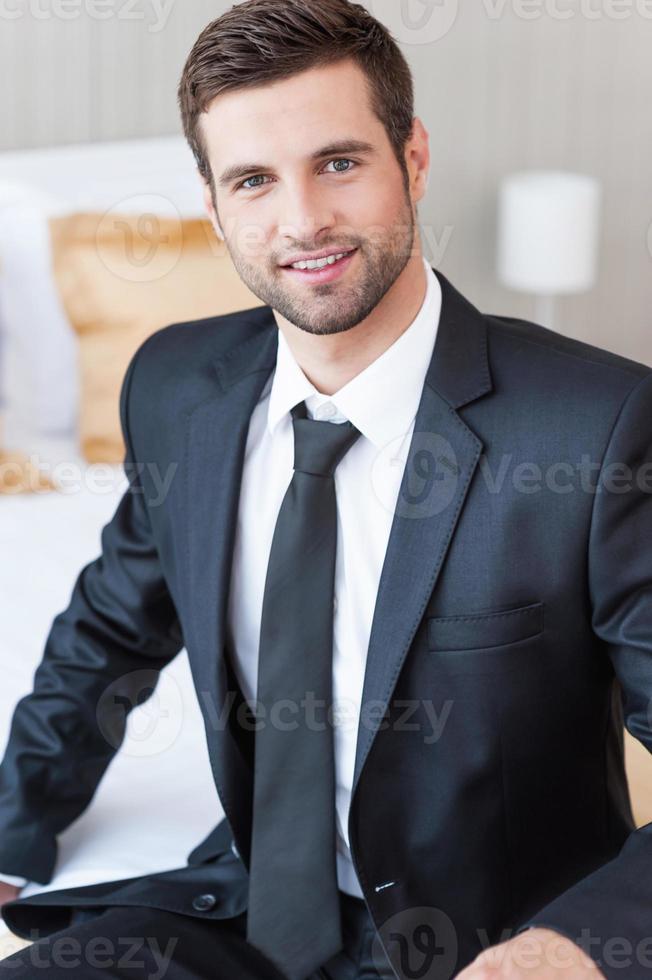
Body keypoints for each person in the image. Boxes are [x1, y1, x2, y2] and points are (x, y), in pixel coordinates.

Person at [1, 0, 651, 977]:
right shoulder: (176, 387)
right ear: (213, 204)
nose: (302, 220)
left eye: (338, 163)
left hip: (492, 941)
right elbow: (111, 630)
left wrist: (571, 947)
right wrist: (15, 830)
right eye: (254, 180)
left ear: (413, 157)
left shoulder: (595, 426)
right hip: (241, 907)